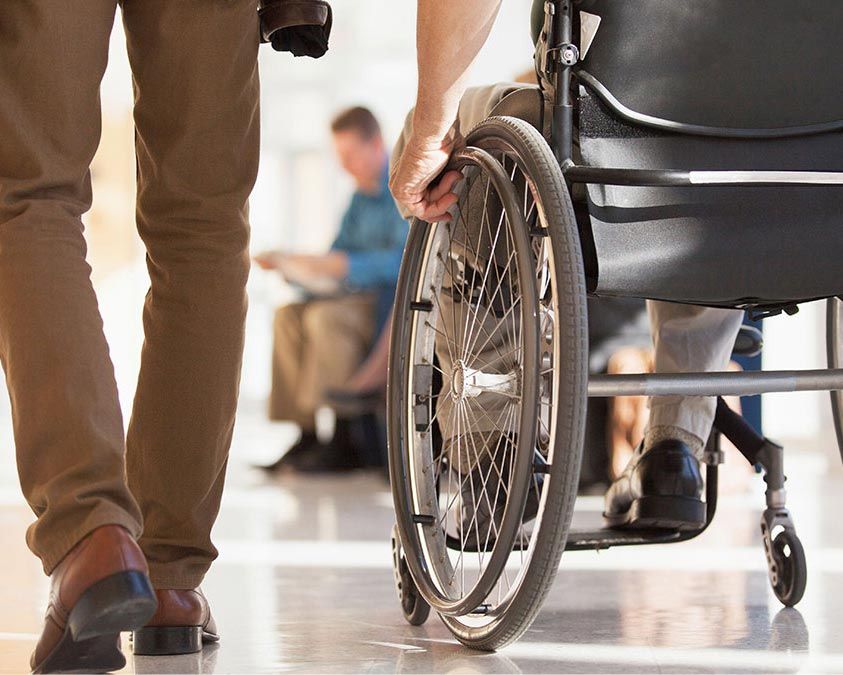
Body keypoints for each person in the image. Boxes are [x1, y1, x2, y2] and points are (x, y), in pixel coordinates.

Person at [388, 0, 745, 533]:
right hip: (789, 160)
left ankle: (493, 449)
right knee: (723, 157)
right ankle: (677, 447)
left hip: (609, 125)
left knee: (464, 123)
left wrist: (431, 128)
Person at [255, 106, 407, 473]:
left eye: (351, 155)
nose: (345, 165)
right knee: (287, 315)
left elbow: (402, 262)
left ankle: (342, 437)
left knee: (326, 319)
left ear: (376, 144)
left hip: (386, 299)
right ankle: (306, 433)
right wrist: (297, 270)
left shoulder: (400, 192)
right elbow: (336, 253)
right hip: (351, 293)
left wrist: (344, 266)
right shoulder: (358, 199)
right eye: (340, 157)